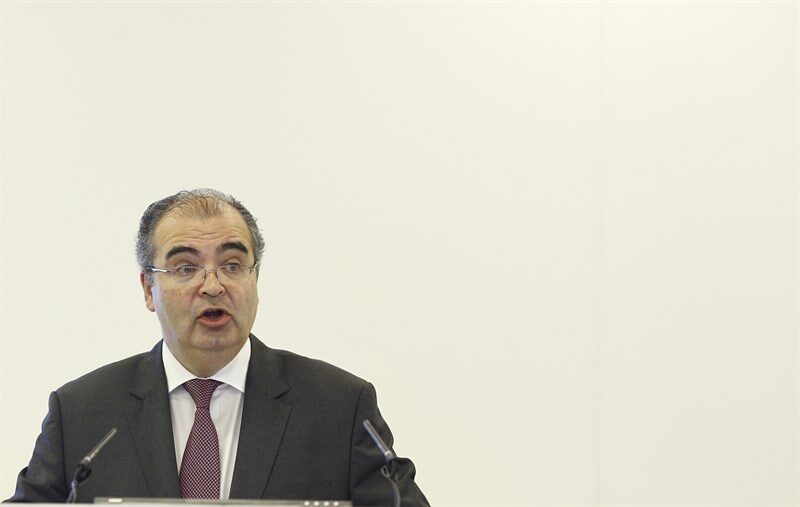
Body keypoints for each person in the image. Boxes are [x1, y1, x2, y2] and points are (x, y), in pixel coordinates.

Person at [8, 189, 428, 506]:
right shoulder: (81, 414)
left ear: (254, 279)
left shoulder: (340, 406)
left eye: (232, 265)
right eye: (185, 268)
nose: (213, 286)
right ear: (149, 289)